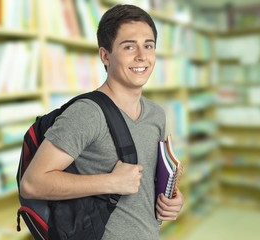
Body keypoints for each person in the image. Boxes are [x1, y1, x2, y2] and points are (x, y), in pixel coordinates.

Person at [20, 4, 184, 240]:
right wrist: (110, 182)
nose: (142, 56)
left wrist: (173, 199)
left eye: (148, 45)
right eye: (129, 46)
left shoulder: (156, 114)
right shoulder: (87, 114)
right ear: (105, 56)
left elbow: (148, 182)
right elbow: (33, 184)